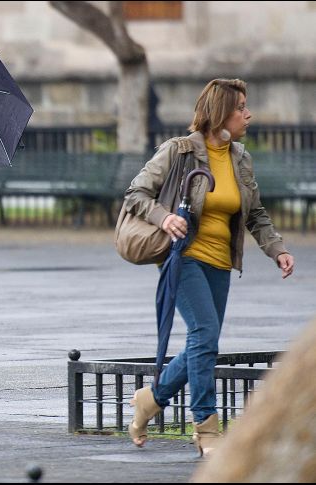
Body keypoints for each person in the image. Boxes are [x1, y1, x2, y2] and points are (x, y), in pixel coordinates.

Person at [123, 78, 296, 456]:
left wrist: (277, 250)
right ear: (220, 113)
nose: (248, 115)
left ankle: (150, 400)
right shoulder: (179, 151)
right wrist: (165, 217)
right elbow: (136, 193)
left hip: (220, 262)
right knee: (204, 334)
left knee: (204, 341)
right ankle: (206, 428)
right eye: (240, 108)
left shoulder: (240, 158)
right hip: (183, 257)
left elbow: (255, 213)